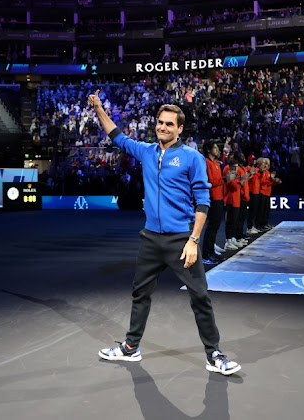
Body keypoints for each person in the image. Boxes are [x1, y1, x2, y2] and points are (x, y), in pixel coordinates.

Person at [87, 90, 241, 376]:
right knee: (140, 293)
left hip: (181, 240)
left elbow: (203, 202)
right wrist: (98, 108)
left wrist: (194, 240)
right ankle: (130, 348)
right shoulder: (146, 151)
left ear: (180, 128)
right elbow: (117, 135)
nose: (163, 127)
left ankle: (214, 354)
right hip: (150, 239)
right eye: (160, 122)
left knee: (199, 297)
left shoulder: (191, 157)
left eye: (170, 124)